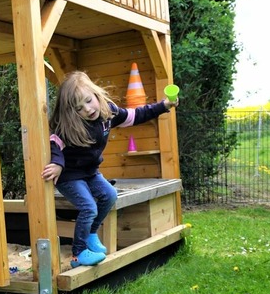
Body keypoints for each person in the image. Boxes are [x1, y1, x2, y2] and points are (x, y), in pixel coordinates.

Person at [42, 71, 179, 267]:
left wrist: (164, 106)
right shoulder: (71, 125)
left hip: (90, 172)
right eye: (79, 108)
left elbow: (135, 115)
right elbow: (55, 142)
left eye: (89, 101)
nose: (88, 109)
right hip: (69, 176)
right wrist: (57, 163)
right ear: (73, 112)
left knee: (110, 195)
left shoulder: (109, 112)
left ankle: (90, 234)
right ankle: (78, 254)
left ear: (96, 94)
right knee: (88, 207)